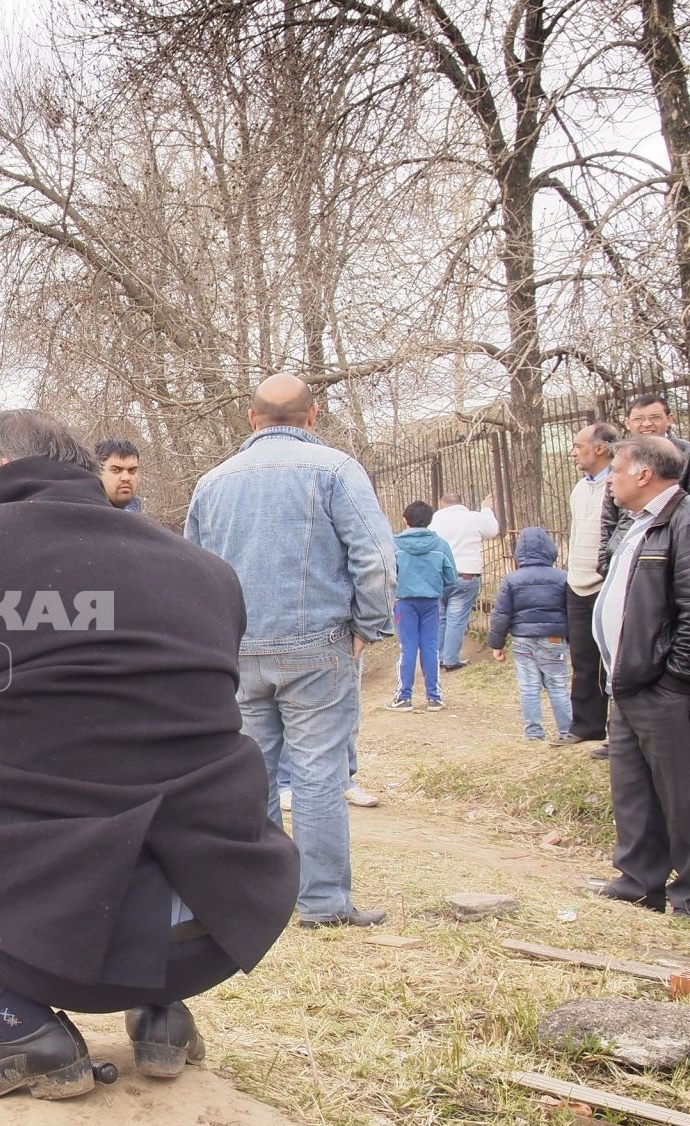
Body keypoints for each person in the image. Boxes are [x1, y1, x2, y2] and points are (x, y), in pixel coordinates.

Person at [0, 409, 298, 1104]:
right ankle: (163, 1021)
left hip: (73, 949)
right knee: (149, 766)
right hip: (220, 929)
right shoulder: (207, 570)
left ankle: (17, 1027)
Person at [186, 373, 394, 929]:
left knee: (255, 774)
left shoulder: (212, 482)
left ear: (251, 420)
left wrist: (213, 640)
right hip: (316, 648)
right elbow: (375, 558)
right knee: (319, 774)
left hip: (239, 650)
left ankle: (262, 899)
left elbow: (194, 570)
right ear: (314, 415)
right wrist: (368, 627)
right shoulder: (336, 471)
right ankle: (322, 903)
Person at [593, 435, 690, 913]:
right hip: (627, 682)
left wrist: (674, 676)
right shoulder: (634, 525)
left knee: (681, 790)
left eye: (617, 470)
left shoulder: (682, 521)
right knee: (632, 787)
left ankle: (687, 891)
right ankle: (639, 879)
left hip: (664, 687)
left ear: (644, 474)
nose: (609, 479)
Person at [485, 527, 576, 743]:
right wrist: (573, 639)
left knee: (528, 687)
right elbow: (573, 612)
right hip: (554, 639)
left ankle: (533, 734)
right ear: (550, 550)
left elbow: (501, 614)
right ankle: (567, 731)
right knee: (557, 686)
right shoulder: (563, 578)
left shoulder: (512, 580)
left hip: (522, 640)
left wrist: (496, 644)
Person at [566, 422, 619, 751]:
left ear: (599, 448)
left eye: (578, 445)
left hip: (606, 583)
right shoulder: (578, 488)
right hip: (577, 582)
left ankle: (619, 732)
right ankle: (586, 725)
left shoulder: (616, 485)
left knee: (613, 661)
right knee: (582, 659)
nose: (573, 452)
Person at [596, 393, 689, 576]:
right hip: (624, 553)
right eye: (639, 419)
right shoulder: (620, 457)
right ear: (627, 423)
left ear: (669, 419)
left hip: (666, 557)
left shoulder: (685, 455)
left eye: (654, 417)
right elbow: (609, 516)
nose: (646, 424)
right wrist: (604, 561)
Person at [388, 501, 458, 711]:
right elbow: (451, 577)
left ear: (404, 520)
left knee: (408, 648)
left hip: (405, 603)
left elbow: (387, 574)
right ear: (430, 520)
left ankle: (404, 697)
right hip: (431, 603)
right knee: (430, 647)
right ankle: (434, 697)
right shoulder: (441, 544)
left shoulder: (394, 545)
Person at [428, 492, 499, 671]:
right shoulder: (473, 518)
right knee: (456, 618)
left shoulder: (433, 523)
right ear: (462, 503)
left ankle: (437, 658)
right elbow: (493, 530)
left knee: (441, 617)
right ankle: (451, 660)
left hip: (438, 576)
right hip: (465, 576)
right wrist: (486, 509)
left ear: (440, 504)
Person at [95, 438, 144, 512]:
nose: (126, 478)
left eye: (132, 470)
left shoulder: (145, 522)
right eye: (116, 470)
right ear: (98, 473)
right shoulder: (83, 518)